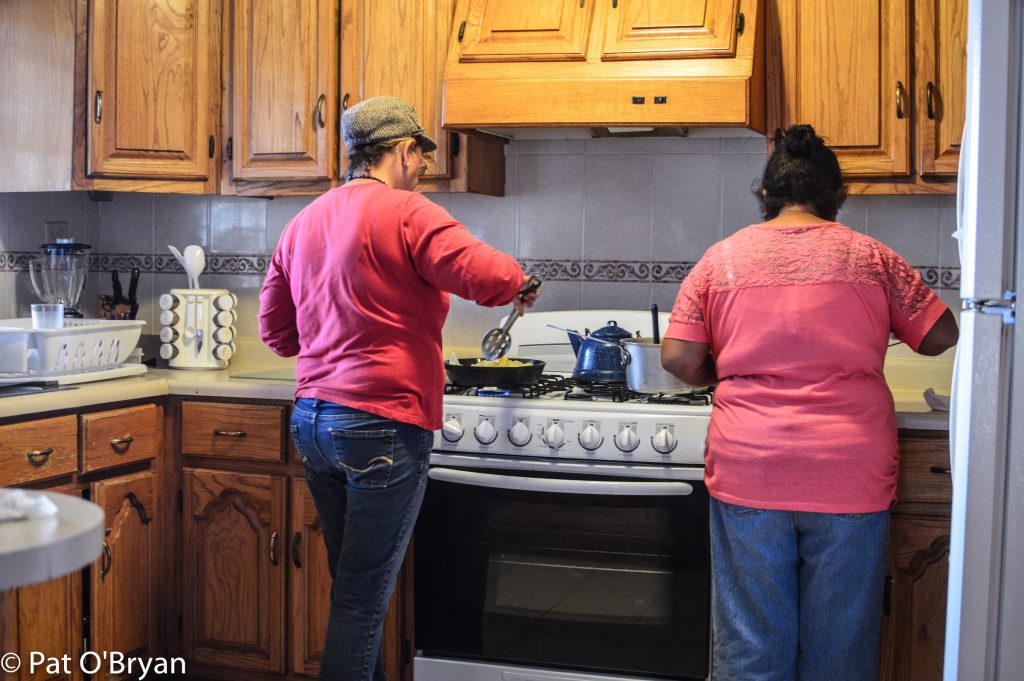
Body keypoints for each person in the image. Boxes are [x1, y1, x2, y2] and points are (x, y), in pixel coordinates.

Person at [661, 124, 958, 681]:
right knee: (840, 650)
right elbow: (942, 335)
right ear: (835, 197)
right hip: (849, 473)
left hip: (750, 467)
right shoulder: (873, 258)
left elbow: (677, 357)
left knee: (752, 649)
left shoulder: (721, 260)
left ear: (766, 194)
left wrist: (720, 370)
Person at [258, 95, 541, 681]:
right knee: (362, 597)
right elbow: (489, 278)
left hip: (313, 422)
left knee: (354, 587)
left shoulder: (303, 221)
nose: (422, 171)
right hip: (382, 424)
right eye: (421, 157)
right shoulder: (409, 211)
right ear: (405, 150)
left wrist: (331, 342)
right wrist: (520, 280)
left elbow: (277, 334)